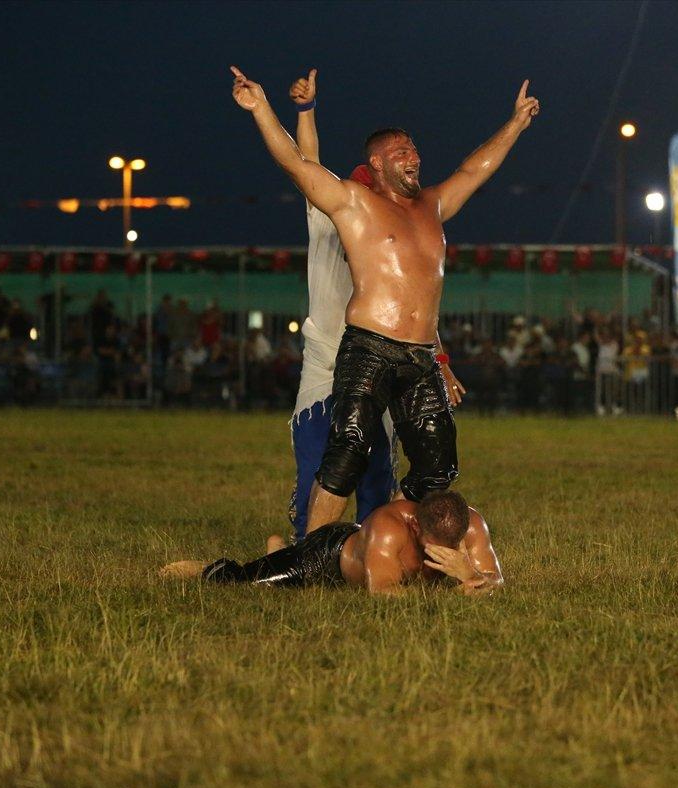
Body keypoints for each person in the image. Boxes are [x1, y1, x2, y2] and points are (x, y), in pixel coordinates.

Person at [229, 65, 538, 535]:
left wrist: (514, 123)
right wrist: (264, 109)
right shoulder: (353, 205)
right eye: (400, 152)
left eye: (414, 149)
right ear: (375, 167)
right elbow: (298, 162)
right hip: (362, 348)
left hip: (417, 355)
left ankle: (383, 540)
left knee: (435, 467)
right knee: (344, 455)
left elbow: (473, 170)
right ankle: (309, 551)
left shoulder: (431, 206)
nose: (413, 156)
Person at [160, 490, 502, 596]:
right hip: (325, 557)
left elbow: (497, 581)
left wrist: (471, 573)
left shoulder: (471, 525)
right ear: (415, 526)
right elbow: (382, 591)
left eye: (452, 545)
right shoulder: (388, 526)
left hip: (357, 551)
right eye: (433, 545)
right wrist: (458, 591)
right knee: (245, 583)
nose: (445, 552)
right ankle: (206, 569)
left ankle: (277, 550)